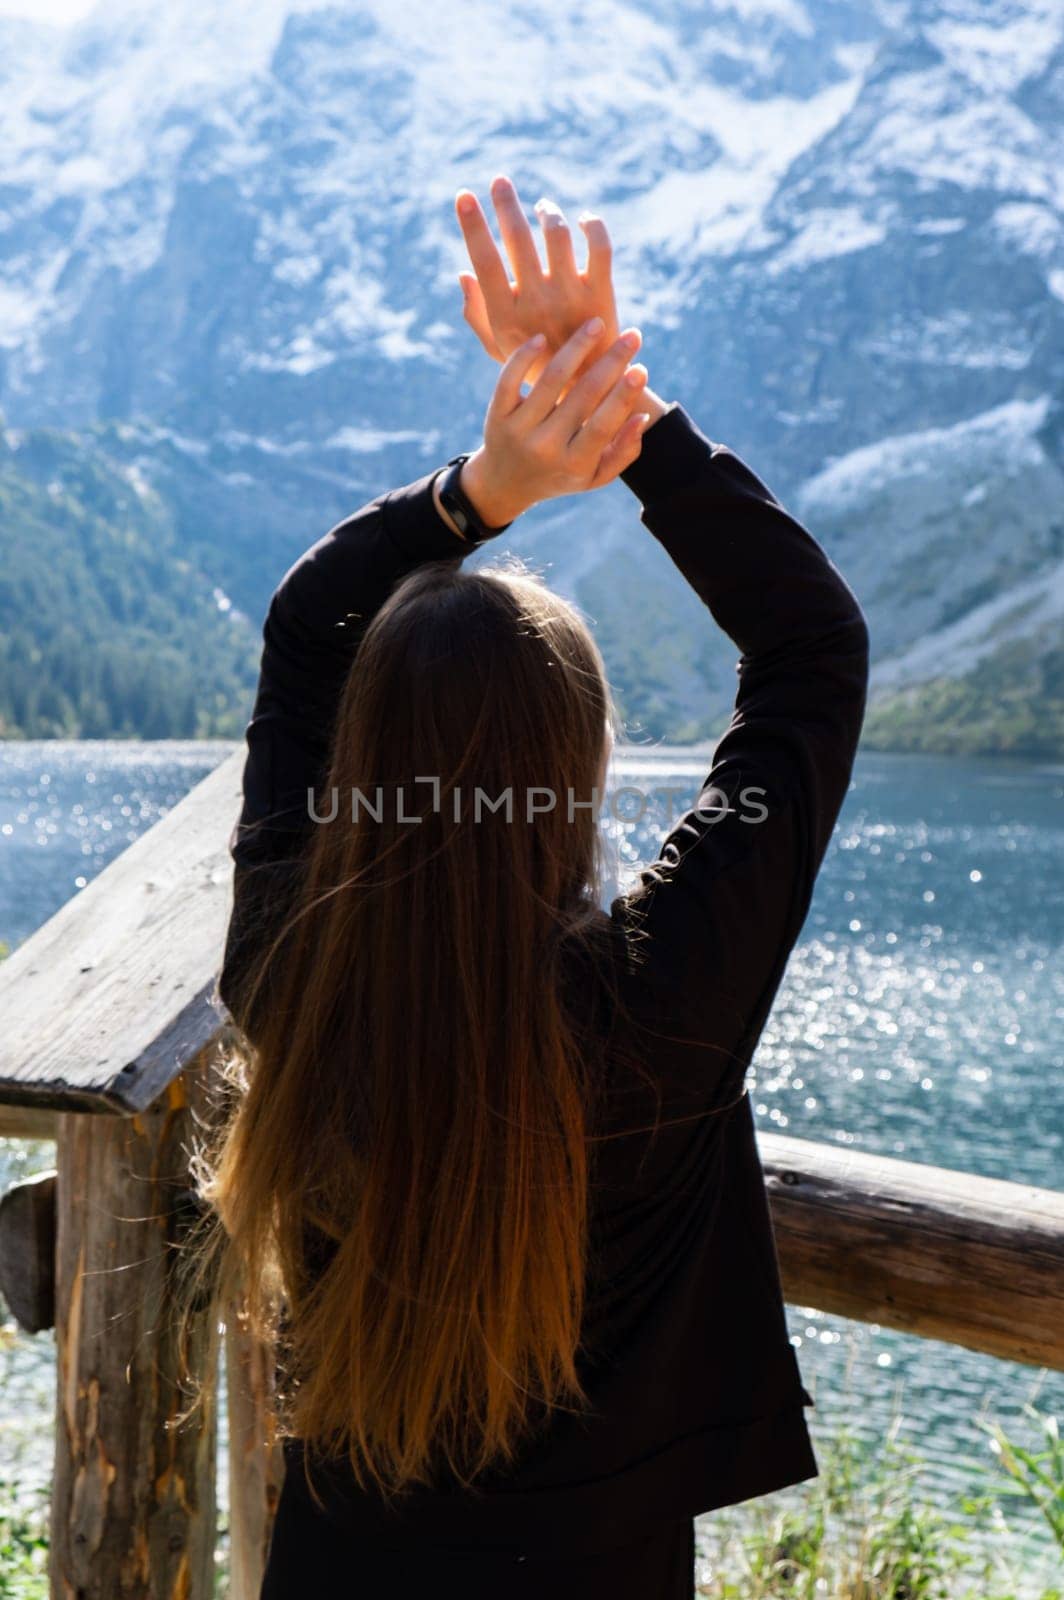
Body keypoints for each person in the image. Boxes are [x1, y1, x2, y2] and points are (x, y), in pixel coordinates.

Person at [202, 176, 870, 1599]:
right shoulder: (659, 997)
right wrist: (632, 429)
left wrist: (481, 490)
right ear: (574, 768)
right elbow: (810, 650)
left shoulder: (289, 973)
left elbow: (308, 631)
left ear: (366, 752)